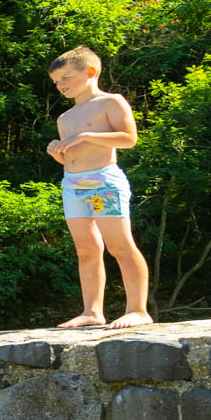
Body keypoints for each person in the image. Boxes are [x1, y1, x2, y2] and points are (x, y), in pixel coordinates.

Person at [48, 45, 153, 329]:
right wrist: (57, 151)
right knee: (86, 249)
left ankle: (138, 310)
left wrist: (87, 135)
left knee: (119, 245)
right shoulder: (64, 118)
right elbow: (70, 157)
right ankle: (92, 312)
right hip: (73, 185)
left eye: (65, 78)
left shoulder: (110, 102)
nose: (60, 85)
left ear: (90, 72)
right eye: (56, 82)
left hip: (103, 182)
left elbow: (129, 139)